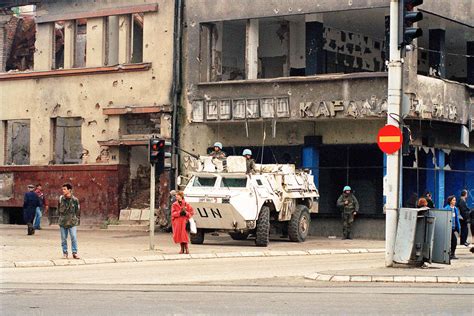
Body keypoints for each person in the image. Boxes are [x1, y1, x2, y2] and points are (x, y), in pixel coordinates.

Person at [58, 183, 81, 259]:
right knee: (63, 239)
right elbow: (58, 209)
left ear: (69, 190)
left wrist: (76, 219)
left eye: (64, 189)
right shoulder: (61, 199)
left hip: (72, 222)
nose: (63, 191)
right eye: (62, 189)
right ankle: (65, 253)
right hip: (63, 221)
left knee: (73, 237)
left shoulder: (75, 200)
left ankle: (74, 252)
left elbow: (77, 211)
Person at [444, 195, 461, 260]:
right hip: (448, 227)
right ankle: (449, 254)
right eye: (453, 200)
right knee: (451, 241)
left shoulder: (455, 208)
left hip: (454, 227)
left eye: (455, 200)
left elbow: (457, 219)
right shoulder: (446, 208)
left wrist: (458, 227)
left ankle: (452, 254)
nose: (455, 201)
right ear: (450, 201)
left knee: (454, 241)